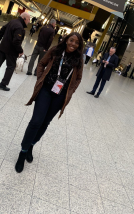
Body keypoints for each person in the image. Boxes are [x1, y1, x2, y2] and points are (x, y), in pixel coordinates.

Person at [15, 32, 84, 173]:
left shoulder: (79, 59)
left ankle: (31, 145)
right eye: (71, 40)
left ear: (79, 45)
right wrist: (40, 78)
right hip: (45, 90)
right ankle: (23, 151)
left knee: (45, 122)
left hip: (60, 95)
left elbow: (78, 79)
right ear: (66, 40)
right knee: (36, 121)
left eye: (77, 43)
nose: (73, 44)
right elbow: (41, 63)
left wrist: (71, 91)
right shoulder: (55, 51)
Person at [0, 12, 31, 91]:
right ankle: (3, 84)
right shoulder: (19, 27)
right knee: (11, 67)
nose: (29, 21)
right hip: (11, 51)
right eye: (28, 19)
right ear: (24, 18)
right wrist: (20, 51)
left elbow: (3, 28)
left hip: (3, 47)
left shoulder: (12, 21)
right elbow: (16, 41)